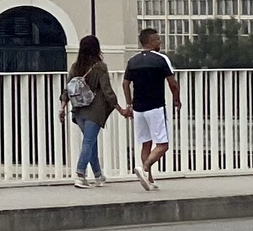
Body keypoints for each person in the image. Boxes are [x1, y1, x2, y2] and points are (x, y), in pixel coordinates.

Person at [123, 27, 182, 191]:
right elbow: (172, 83)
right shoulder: (161, 59)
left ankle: (148, 179)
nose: (160, 42)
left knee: (146, 143)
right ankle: (146, 167)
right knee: (163, 144)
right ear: (150, 42)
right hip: (155, 107)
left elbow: (125, 83)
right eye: (157, 39)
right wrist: (177, 99)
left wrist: (129, 104)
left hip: (138, 108)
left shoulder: (132, 61)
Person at [63, 34, 118, 188]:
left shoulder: (76, 67)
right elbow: (107, 91)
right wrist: (119, 107)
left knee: (90, 142)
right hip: (95, 110)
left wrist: (62, 107)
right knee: (88, 142)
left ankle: (98, 175)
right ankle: (80, 175)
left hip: (78, 110)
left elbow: (68, 89)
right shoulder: (100, 67)